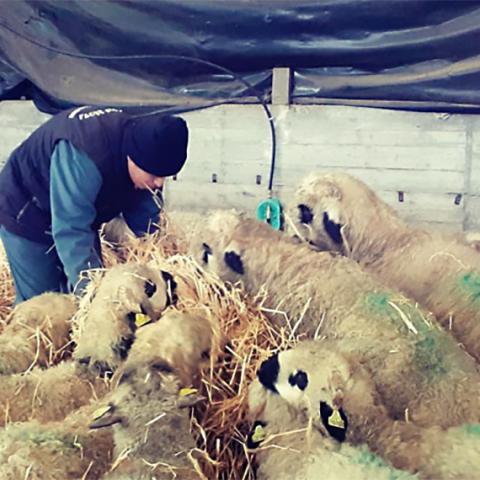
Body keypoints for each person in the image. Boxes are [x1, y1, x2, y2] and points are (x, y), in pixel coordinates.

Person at [0, 106, 188, 304]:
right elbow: (71, 230)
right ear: (132, 159)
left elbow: (149, 224)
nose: (159, 183)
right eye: (154, 175)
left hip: (77, 214)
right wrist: (94, 295)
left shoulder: (144, 149)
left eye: (166, 176)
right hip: (26, 210)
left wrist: (166, 266)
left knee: (83, 289)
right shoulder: (86, 154)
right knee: (43, 304)